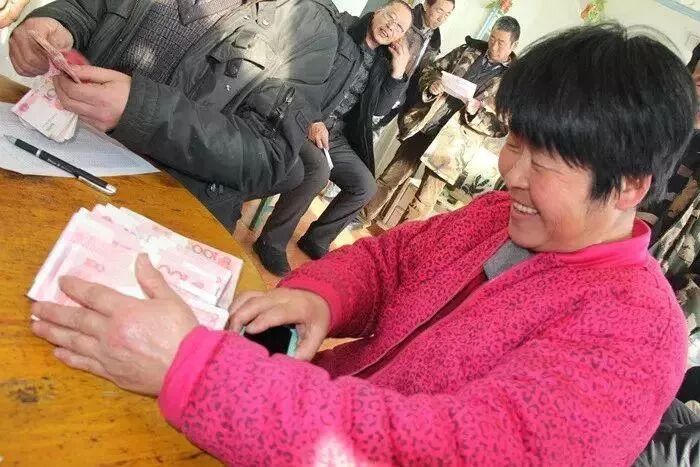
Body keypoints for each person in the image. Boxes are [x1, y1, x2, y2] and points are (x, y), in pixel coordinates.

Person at [29, 24, 697, 464]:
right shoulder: (498, 215)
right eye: (513, 143)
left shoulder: (636, 334)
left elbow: (440, 454)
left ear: (628, 185)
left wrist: (196, 373)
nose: (510, 173)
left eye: (542, 161)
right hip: (283, 415)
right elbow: (390, 260)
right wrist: (325, 296)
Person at [8, 0, 341, 231]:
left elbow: (267, 156)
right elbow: (88, 8)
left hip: (166, 214)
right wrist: (58, 22)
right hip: (60, 156)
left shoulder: (310, 28)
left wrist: (140, 109)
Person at [251, 0, 413, 276]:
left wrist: (398, 71)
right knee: (318, 171)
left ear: (401, 37)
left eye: (399, 27)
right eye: (389, 17)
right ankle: (271, 242)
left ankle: (316, 239)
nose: (390, 27)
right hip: (302, 117)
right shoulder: (342, 28)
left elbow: (378, 109)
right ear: (378, 12)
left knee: (365, 186)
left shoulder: (383, 61)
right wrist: (313, 119)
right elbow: (302, 71)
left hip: (334, 133)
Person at [362, 16, 519, 226]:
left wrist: (476, 112)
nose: (493, 45)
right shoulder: (468, 50)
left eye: (501, 42)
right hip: (427, 125)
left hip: (453, 148)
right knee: (390, 177)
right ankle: (361, 218)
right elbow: (432, 70)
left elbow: (502, 127)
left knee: (423, 202)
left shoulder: (513, 82)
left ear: (514, 45)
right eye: (492, 38)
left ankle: (401, 243)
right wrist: (433, 84)